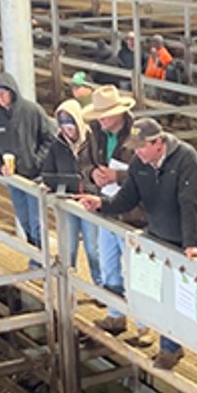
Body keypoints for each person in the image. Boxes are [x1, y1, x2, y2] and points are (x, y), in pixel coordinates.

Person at [76, 118, 197, 370]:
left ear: (158, 143)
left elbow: (190, 203)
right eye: (134, 148)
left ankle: (174, 346)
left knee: (181, 295)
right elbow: (128, 197)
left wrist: (191, 243)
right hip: (157, 231)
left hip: (182, 236)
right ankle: (170, 345)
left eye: (141, 148)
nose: (136, 154)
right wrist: (103, 204)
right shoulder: (140, 163)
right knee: (159, 292)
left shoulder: (185, 158)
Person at [81, 85, 140, 335]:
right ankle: (116, 315)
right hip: (105, 207)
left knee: (136, 270)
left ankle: (142, 324)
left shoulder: (137, 136)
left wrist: (119, 175)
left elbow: (146, 172)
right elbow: (84, 161)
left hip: (133, 213)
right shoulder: (95, 133)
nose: (101, 119)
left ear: (119, 113)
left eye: (105, 114)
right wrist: (93, 174)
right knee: (109, 264)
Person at [0, 72, 56, 256]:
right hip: (13, 178)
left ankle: (42, 259)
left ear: (12, 91)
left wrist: (37, 161)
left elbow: (50, 138)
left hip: (34, 178)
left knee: (37, 221)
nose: (0, 97)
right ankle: (35, 256)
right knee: (24, 220)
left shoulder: (32, 111)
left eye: (4, 92)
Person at [42, 99, 104, 289]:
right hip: (67, 201)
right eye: (64, 127)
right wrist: (50, 184)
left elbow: (99, 166)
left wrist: (92, 187)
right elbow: (48, 171)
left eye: (71, 126)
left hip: (88, 201)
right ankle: (68, 286)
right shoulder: (57, 145)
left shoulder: (93, 139)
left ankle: (100, 285)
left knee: (93, 248)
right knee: (68, 248)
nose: (68, 131)